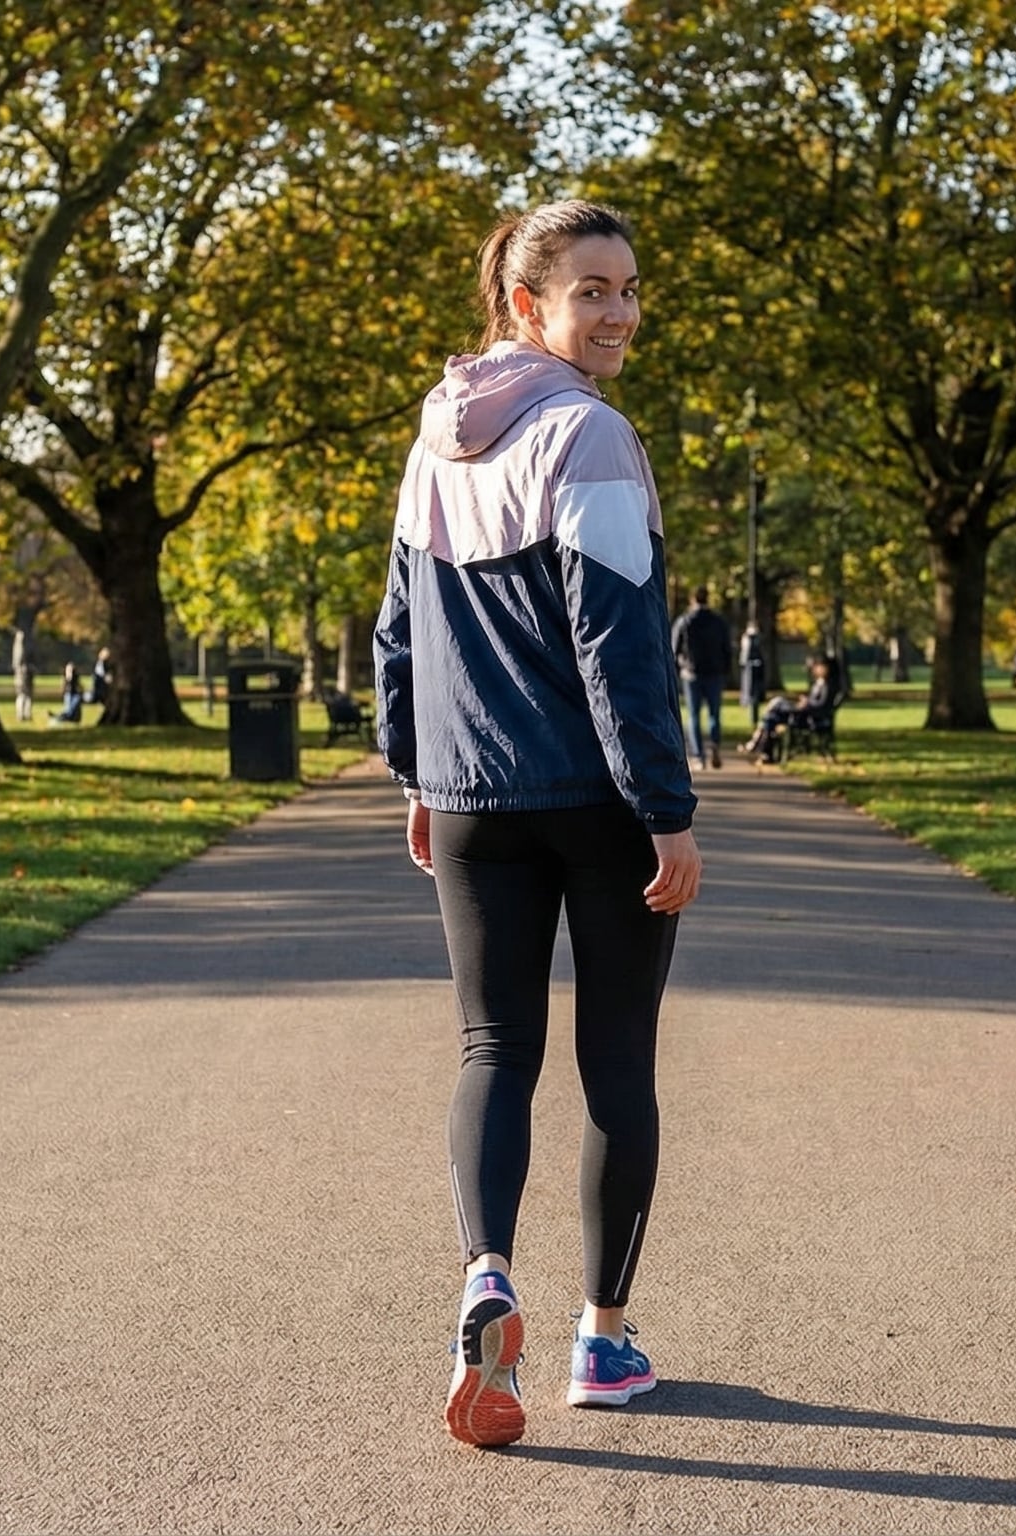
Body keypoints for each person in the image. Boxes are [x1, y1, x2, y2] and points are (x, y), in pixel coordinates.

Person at [374, 200, 699, 1449]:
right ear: (526, 306)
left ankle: (483, 1276)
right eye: (592, 291)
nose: (617, 312)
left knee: (492, 1047)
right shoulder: (590, 437)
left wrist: (418, 774)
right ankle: (603, 1344)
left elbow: (399, 633)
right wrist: (664, 811)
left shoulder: (433, 444)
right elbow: (618, 647)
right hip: (598, 806)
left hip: (469, 804)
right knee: (615, 1060)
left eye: (629, 288)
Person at [671, 587, 730, 769]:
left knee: (693, 715)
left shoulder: (684, 621)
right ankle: (714, 743)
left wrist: (677, 668)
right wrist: (725, 669)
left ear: (692, 600)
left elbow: (674, 648)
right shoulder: (719, 621)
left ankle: (698, 756)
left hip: (691, 673)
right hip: (714, 672)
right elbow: (726, 648)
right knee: (714, 713)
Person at [741, 654, 842, 757]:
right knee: (771, 717)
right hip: (806, 713)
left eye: (819, 666)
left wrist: (807, 703)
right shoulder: (821, 683)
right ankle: (765, 750)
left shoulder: (828, 686)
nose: (816, 669)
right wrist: (807, 701)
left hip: (810, 717)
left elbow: (821, 705)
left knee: (774, 709)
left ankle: (760, 746)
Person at [12, 630, 36, 724]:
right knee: (25, 695)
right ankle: (24, 713)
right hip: (23, 674)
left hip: (21, 674)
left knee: (23, 695)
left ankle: (24, 713)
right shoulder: (21, 649)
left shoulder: (17, 649)